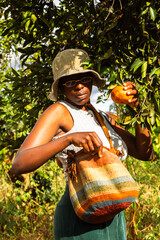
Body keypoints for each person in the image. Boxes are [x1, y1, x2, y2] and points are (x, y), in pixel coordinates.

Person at [11, 49, 153, 240]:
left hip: (114, 212)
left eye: (84, 79)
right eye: (70, 81)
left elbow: (145, 153)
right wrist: (68, 139)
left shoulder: (105, 118)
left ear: (92, 80)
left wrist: (139, 109)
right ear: (60, 87)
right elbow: (19, 163)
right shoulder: (59, 111)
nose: (79, 86)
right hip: (81, 214)